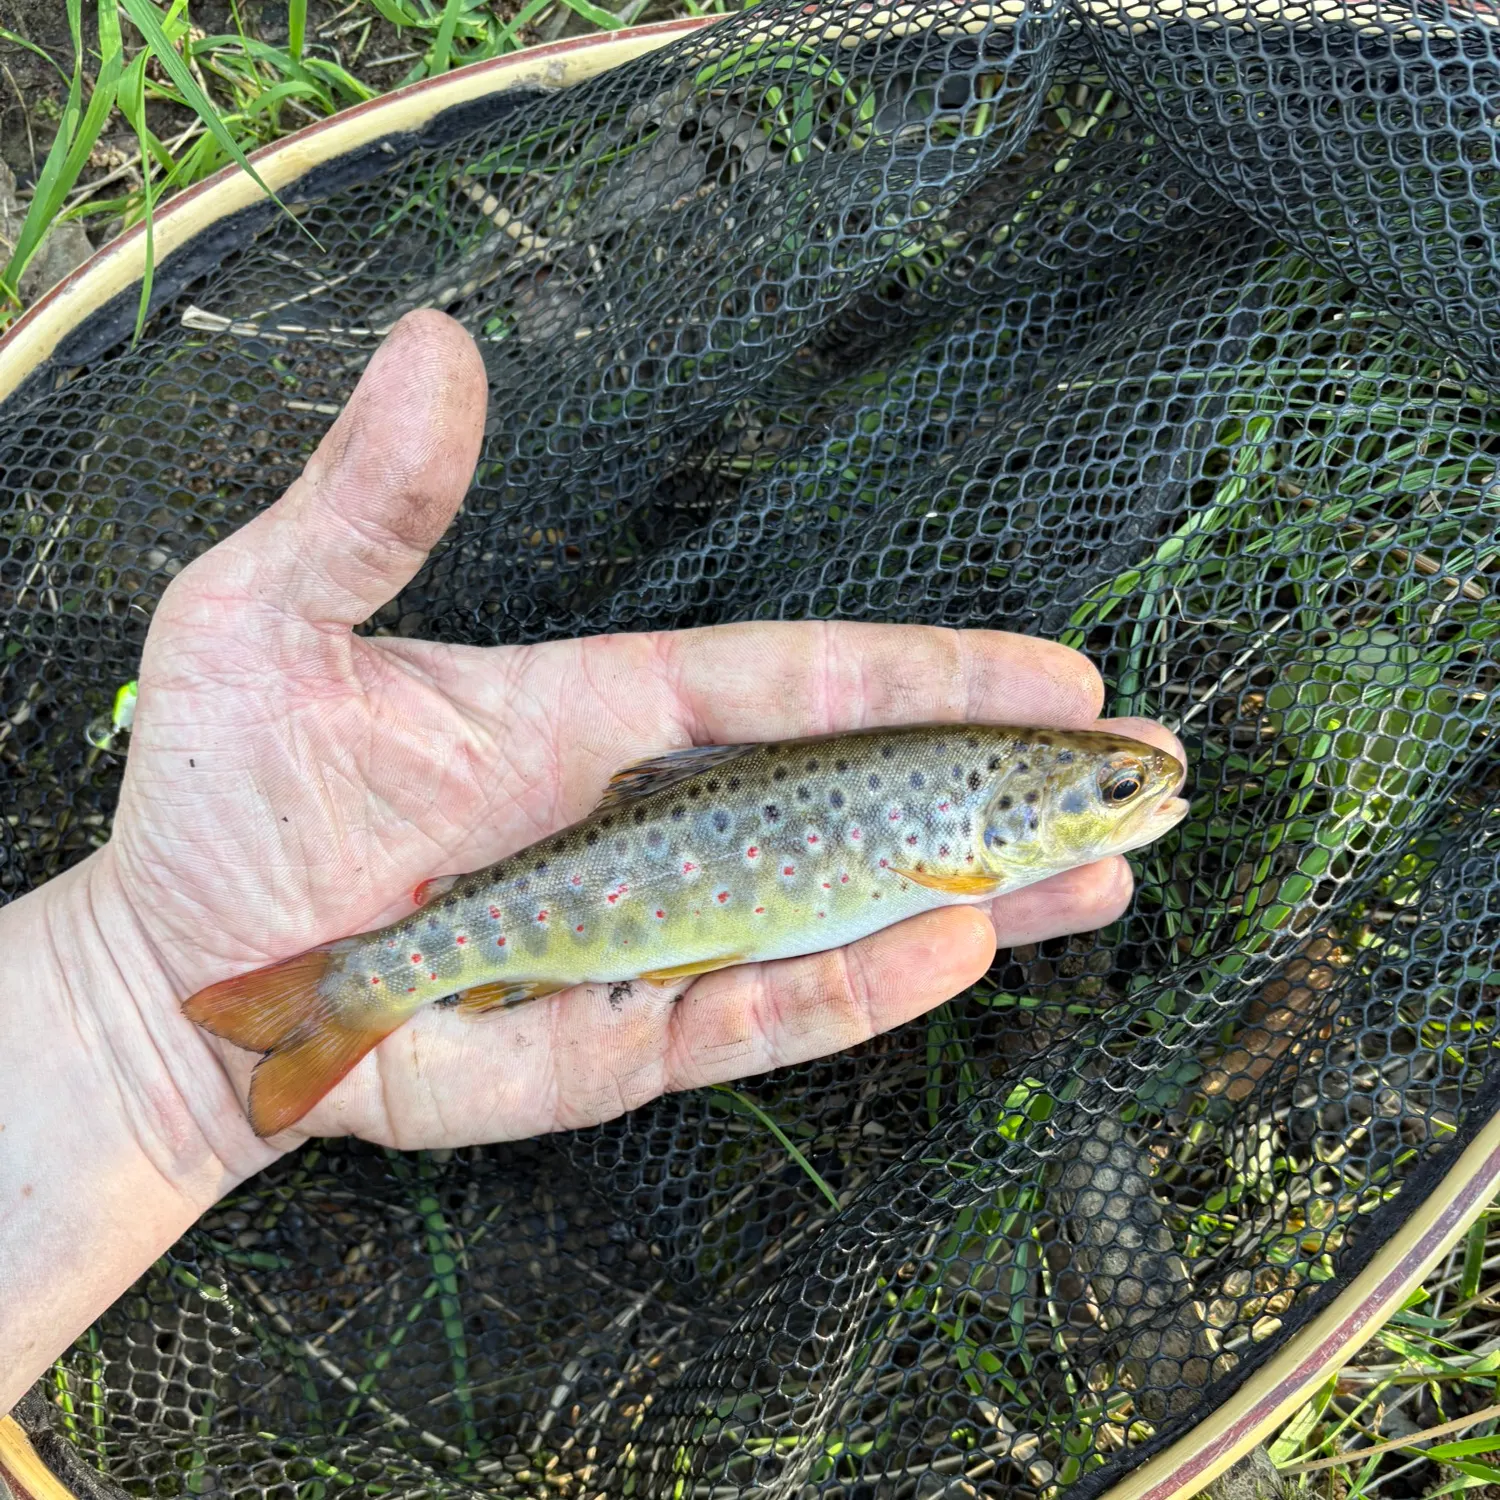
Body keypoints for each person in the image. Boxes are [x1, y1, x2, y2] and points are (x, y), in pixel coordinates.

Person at [0, 310, 1182, 1415]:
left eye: (1115, 789)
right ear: (1006, 807)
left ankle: (325, 996)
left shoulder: (975, 856)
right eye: (1113, 791)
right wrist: (134, 1003)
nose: (1135, 794)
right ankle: (355, 987)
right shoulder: (967, 864)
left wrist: (132, 1026)